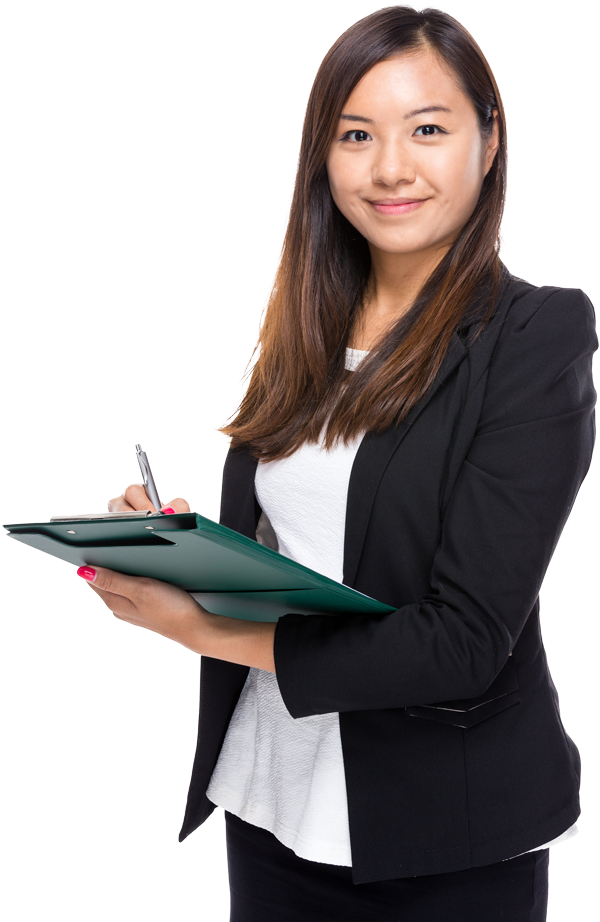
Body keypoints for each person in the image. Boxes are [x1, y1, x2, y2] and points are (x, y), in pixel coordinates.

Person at [79, 6, 597, 920]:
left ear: (490, 139)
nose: (390, 167)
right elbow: (313, 557)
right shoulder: (307, 331)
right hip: (272, 800)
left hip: (448, 834)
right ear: (323, 154)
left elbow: (465, 641)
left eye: (427, 130)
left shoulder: (536, 336)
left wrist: (196, 629)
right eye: (356, 134)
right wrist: (186, 554)